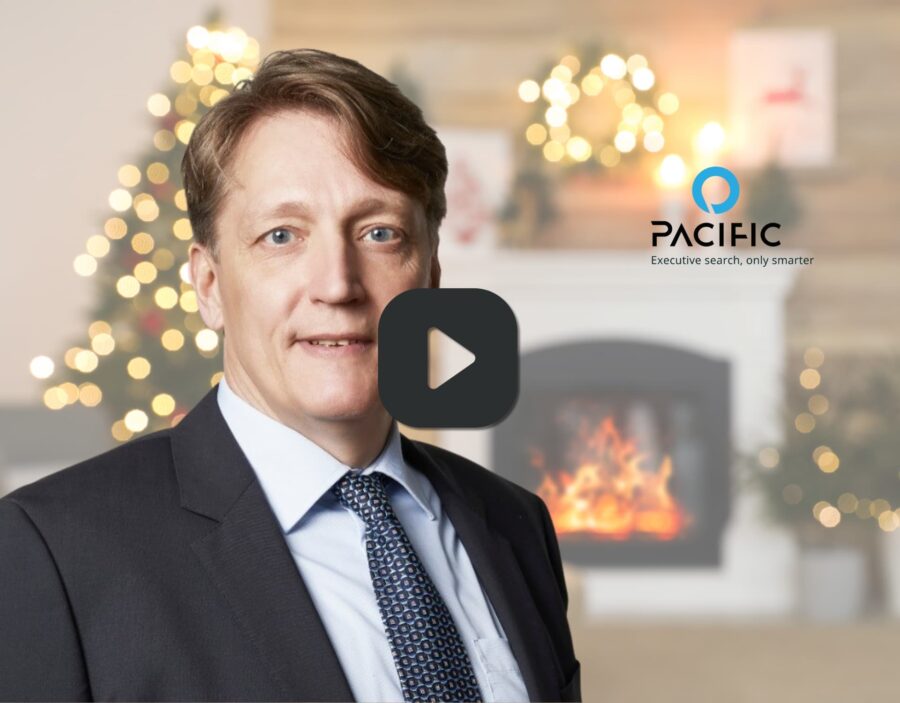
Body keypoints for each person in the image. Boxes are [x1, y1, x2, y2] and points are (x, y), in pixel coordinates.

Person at [0, 48, 580, 702]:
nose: (337, 284)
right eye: (282, 235)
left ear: (431, 275)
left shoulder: (515, 524)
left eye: (381, 233)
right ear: (210, 284)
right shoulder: (54, 553)